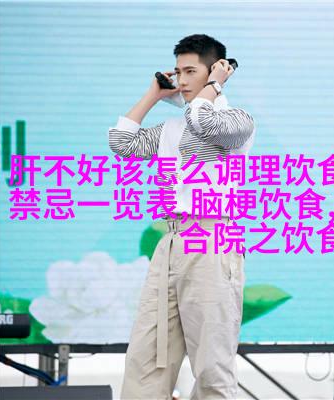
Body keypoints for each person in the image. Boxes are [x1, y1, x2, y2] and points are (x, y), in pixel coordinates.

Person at [108, 33, 255, 400]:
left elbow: (203, 122)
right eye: (178, 72)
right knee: (147, 356)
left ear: (216, 70)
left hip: (212, 238)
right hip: (171, 241)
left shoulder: (237, 121)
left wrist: (215, 86)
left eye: (191, 71)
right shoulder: (172, 129)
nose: (182, 80)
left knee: (212, 364)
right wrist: (154, 95)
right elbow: (121, 143)